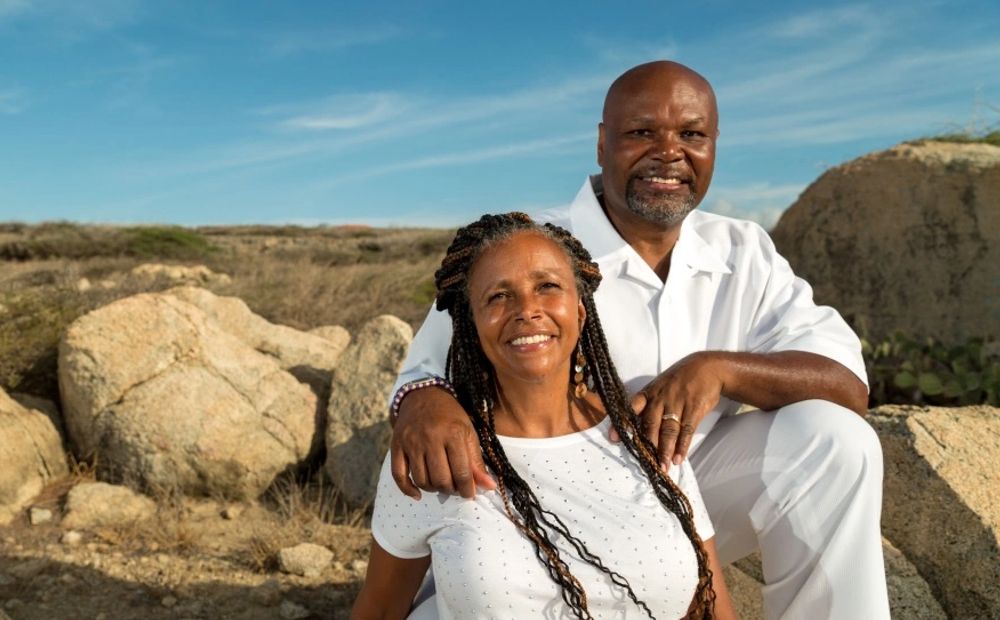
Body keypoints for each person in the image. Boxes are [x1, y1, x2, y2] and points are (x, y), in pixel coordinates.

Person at [387, 61, 888, 619]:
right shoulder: (531, 250)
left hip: (678, 508)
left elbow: (845, 383)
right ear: (603, 144)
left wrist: (717, 369)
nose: (669, 152)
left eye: (692, 134)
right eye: (642, 132)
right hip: (523, 520)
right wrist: (426, 401)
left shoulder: (742, 248)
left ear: (714, 146)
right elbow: (420, 380)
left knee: (836, 440)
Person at [353, 212, 737, 619]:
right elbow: (379, 609)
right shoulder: (436, 450)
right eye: (498, 296)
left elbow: (709, 605)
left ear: (581, 311)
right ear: (471, 323)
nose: (527, 310)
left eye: (547, 287)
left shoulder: (645, 436)